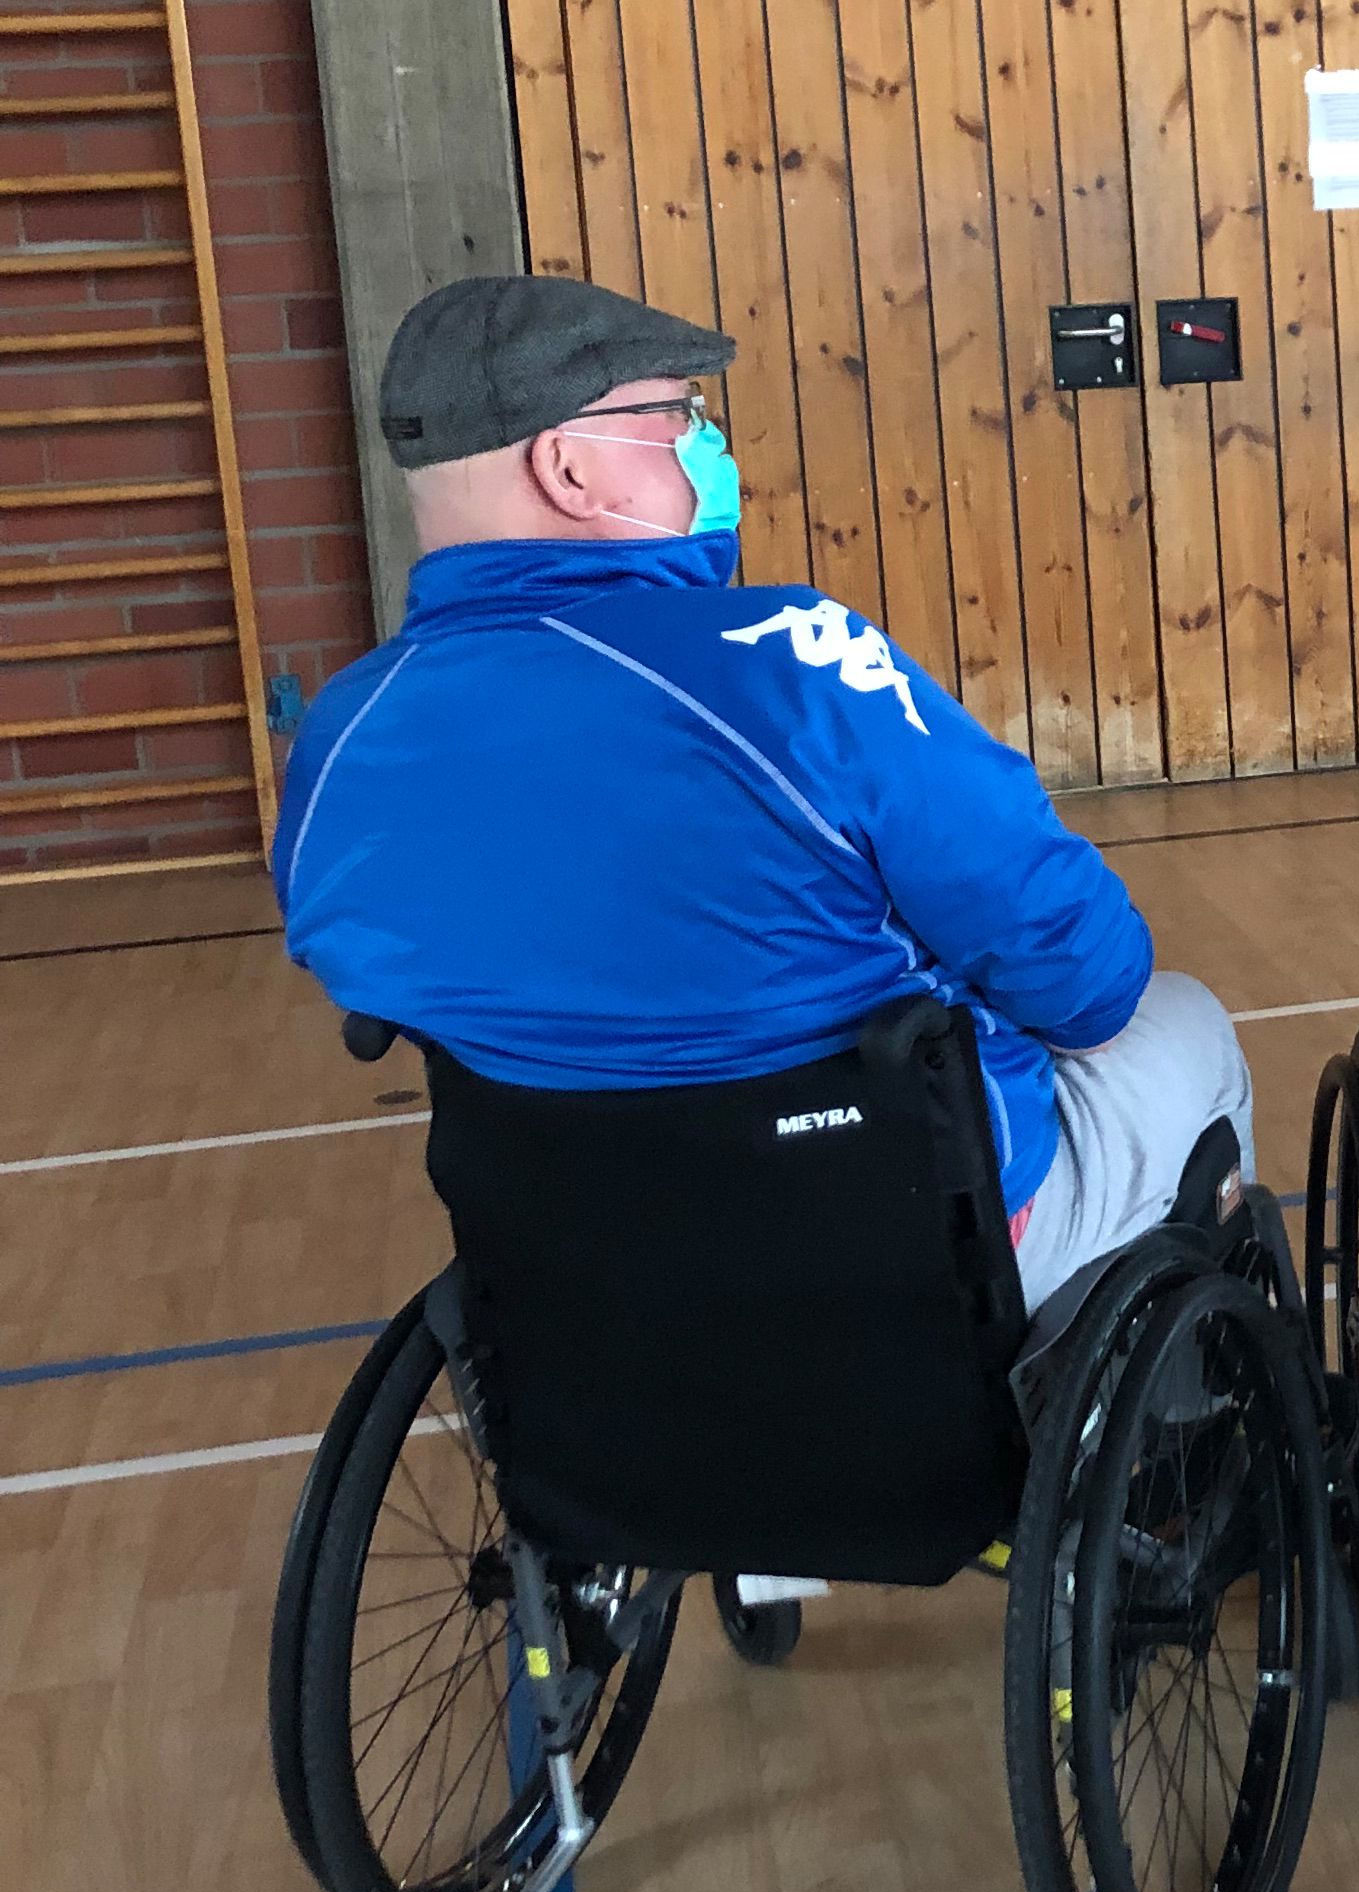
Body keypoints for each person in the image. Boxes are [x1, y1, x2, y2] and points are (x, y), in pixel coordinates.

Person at [275, 274, 1252, 1315]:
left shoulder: (342, 738)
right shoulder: (789, 662)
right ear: (568, 467)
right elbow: (1084, 978)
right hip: (897, 1247)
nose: (705, 444)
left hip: (575, 1279)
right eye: (676, 414)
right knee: (1179, 1021)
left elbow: (375, 970)